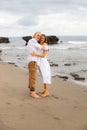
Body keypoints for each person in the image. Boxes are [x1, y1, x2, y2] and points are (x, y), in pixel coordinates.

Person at [27, 32, 43, 98]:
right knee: (33, 77)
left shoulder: (34, 42)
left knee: (31, 76)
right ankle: (33, 92)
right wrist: (46, 46)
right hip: (32, 61)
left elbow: (39, 51)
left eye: (40, 36)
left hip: (32, 61)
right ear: (34, 35)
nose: (39, 36)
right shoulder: (32, 40)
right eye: (38, 35)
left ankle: (31, 90)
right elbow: (41, 48)